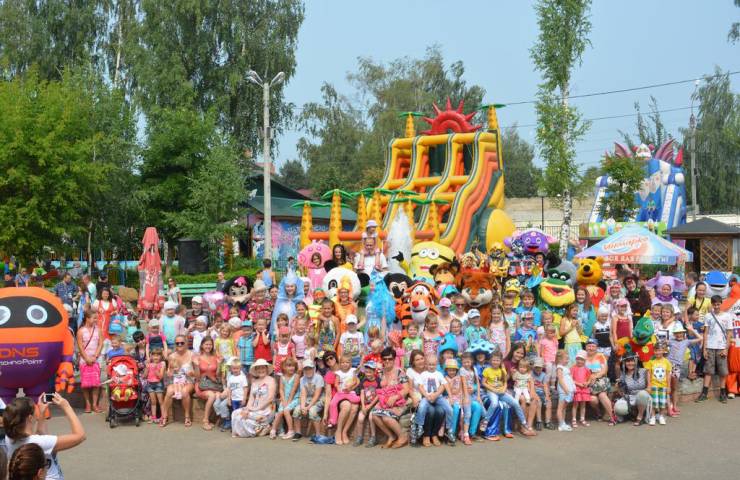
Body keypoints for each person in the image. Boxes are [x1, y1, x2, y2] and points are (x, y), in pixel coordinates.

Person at [3, 394, 86, 480]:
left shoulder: (10, 438)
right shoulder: (39, 442)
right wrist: (66, 406)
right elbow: (80, 436)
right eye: (35, 408)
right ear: (30, 418)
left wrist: (42, 413)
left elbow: (40, 435)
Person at [696, 295, 735, 403]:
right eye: (714, 304)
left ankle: (722, 393)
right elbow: (706, 332)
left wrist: (726, 349)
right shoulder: (708, 316)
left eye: (718, 304)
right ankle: (704, 393)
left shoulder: (727, 316)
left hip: (721, 347)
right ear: (712, 304)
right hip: (710, 346)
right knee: (708, 370)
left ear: (721, 304)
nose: (716, 306)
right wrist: (704, 349)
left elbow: (729, 333)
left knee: (723, 371)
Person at [372, 347, 409, 449]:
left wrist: (395, 397)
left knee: (386, 418)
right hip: (384, 402)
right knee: (374, 416)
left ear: (394, 359)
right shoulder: (380, 372)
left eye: (390, 359)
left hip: (398, 402)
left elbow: (406, 389)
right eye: (385, 359)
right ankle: (391, 436)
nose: (387, 361)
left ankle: (402, 437)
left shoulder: (399, 372)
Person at [231, 359, 277, 438]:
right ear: (255, 370)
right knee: (235, 413)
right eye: (258, 368)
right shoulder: (254, 382)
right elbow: (251, 399)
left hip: (266, 410)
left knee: (243, 418)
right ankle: (257, 429)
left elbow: (270, 398)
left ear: (266, 369)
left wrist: (256, 409)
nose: (260, 370)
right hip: (253, 409)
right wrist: (247, 409)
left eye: (262, 368)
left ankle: (263, 426)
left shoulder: (271, 380)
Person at [416, 354, 454, 447]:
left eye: (433, 364)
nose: (431, 366)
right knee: (421, 406)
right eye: (429, 364)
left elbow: (445, 384)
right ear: (426, 364)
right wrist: (426, 395)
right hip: (427, 396)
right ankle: (420, 426)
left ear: (436, 364)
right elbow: (420, 386)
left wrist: (450, 396)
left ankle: (449, 429)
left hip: (438, 397)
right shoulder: (423, 374)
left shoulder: (439, 374)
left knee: (449, 409)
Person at [160, 335, 195, 427]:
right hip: (175, 380)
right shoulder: (171, 356)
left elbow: (196, 373)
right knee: (169, 391)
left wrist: (191, 373)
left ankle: (187, 416)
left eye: (182, 343)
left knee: (184, 392)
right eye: (177, 343)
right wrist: (170, 372)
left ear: (186, 343)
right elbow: (169, 372)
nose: (179, 345)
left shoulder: (192, 355)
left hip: (188, 380)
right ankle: (165, 416)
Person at [75, 310, 102, 414]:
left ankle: (94, 404)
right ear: (87, 318)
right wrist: (86, 358)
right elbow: (80, 346)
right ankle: (88, 404)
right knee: (85, 383)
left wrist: (95, 356)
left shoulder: (98, 330)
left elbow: (100, 344)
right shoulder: (80, 331)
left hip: (96, 359)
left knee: (96, 383)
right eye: (94, 318)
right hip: (84, 360)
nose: (96, 320)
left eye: (96, 318)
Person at [583, 339, 616, 425]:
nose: (591, 348)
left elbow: (604, 371)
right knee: (593, 399)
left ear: (597, 347)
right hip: (588, 382)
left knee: (602, 395)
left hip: (600, 380)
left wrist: (595, 376)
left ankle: (612, 416)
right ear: (586, 347)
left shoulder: (600, 356)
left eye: (593, 346)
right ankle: (598, 412)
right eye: (589, 346)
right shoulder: (583, 357)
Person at [194, 336, 221, 431]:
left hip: (213, 384)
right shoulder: (197, 358)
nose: (208, 346)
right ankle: (205, 421)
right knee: (212, 396)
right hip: (201, 385)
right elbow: (197, 377)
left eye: (210, 344)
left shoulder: (215, 357)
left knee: (218, 396)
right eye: (206, 344)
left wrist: (219, 364)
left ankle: (213, 419)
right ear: (202, 345)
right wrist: (196, 366)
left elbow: (217, 375)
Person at [213, 359, 249, 432]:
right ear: (231, 368)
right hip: (233, 398)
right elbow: (229, 389)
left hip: (240, 398)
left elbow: (245, 388)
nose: (235, 370)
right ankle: (231, 424)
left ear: (240, 368)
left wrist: (244, 398)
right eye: (233, 368)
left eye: (237, 368)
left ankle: (240, 427)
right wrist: (229, 399)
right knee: (234, 412)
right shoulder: (231, 377)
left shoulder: (242, 377)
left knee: (239, 412)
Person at [617, 354, 651, 426]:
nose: (630, 363)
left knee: (642, 394)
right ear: (624, 363)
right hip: (630, 397)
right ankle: (632, 413)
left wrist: (644, 391)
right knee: (619, 409)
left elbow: (649, 388)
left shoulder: (644, 371)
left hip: (643, 396)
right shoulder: (623, 374)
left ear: (636, 361)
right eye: (628, 361)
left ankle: (640, 416)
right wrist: (618, 387)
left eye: (632, 361)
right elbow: (622, 393)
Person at [293, 359, 325, 438]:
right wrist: (303, 407)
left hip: (318, 400)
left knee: (312, 411)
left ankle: (318, 435)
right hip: (307, 399)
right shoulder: (302, 379)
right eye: (306, 369)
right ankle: (298, 432)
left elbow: (317, 395)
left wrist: (308, 407)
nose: (308, 371)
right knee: (296, 411)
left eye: (310, 368)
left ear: (313, 368)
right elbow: (303, 394)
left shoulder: (319, 378)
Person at [353, 361, 381, 447]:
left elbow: (378, 396)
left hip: (374, 404)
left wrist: (370, 406)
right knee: (360, 418)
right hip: (365, 405)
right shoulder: (363, 380)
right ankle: (359, 437)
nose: (368, 374)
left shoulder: (378, 381)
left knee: (371, 417)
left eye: (370, 372)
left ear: (374, 371)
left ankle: (373, 437)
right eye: (366, 372)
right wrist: (363, 405)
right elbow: (362, 393)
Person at [271, 358, 300, 439]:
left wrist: (288, 402)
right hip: (285, 399)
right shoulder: (282, 377)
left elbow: (294, 390)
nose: (291, 368)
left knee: (286, 410)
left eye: (293, 366)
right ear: (284, 367)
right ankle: (273, 430)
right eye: (289, 366)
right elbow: (281, 389)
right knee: (280, 412)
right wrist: (284, 401)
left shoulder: (296, 376)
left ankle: (291, 431)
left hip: (294, 398)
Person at [646, 341, 672, 425]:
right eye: (656, 350)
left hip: (663, 386)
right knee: (654, 402)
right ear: (654, 351)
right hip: (654, 385)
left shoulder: (667, 362)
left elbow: (668, 375)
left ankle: (661, 416)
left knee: (663, 403)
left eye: (660, 350)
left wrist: (669, 386)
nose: (658, 352)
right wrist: (649, 385)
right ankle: (653, 417)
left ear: (663, 351)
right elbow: (649, 374)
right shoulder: (651, 362)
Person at [555, 350, 575, 431]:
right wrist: (566, 389)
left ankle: (563, 422)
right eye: (566, 359)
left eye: (568, 359)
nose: (568, 360)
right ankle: (561, 424)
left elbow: (570, 379)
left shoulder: (566, 367)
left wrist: (572, 388)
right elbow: (560, 379)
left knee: (564, 408)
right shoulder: (559, 367)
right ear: (560, 359)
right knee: (560, 408)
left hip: (568, 391)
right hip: (563, 391)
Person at [144, 348, 166, 424]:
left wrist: (156, 369)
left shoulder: (162, 364)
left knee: (161, 401)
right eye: (154, 355)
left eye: (158, 355)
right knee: (153, 402)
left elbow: (161, 376)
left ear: (161, 356)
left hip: (158, 384)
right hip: (150, 384)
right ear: (151, 356)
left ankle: (163, 417)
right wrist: (147, 368)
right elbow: (144, 376)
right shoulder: (149, 364)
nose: (156, 357)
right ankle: (153, 417)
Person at [570, 350, 591, 428]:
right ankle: (574, 419)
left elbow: (589, 378)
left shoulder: (586, 369)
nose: (579, 361)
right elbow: (570, 379)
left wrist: (587, 383)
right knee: (575, 405)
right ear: (576, 359)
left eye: (582, 359)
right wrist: (578, 384)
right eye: (578, 359)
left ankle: (582, 419)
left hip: (584, 389)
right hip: (577, 389)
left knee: (583, 405)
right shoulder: (573, 368)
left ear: (585, 361)